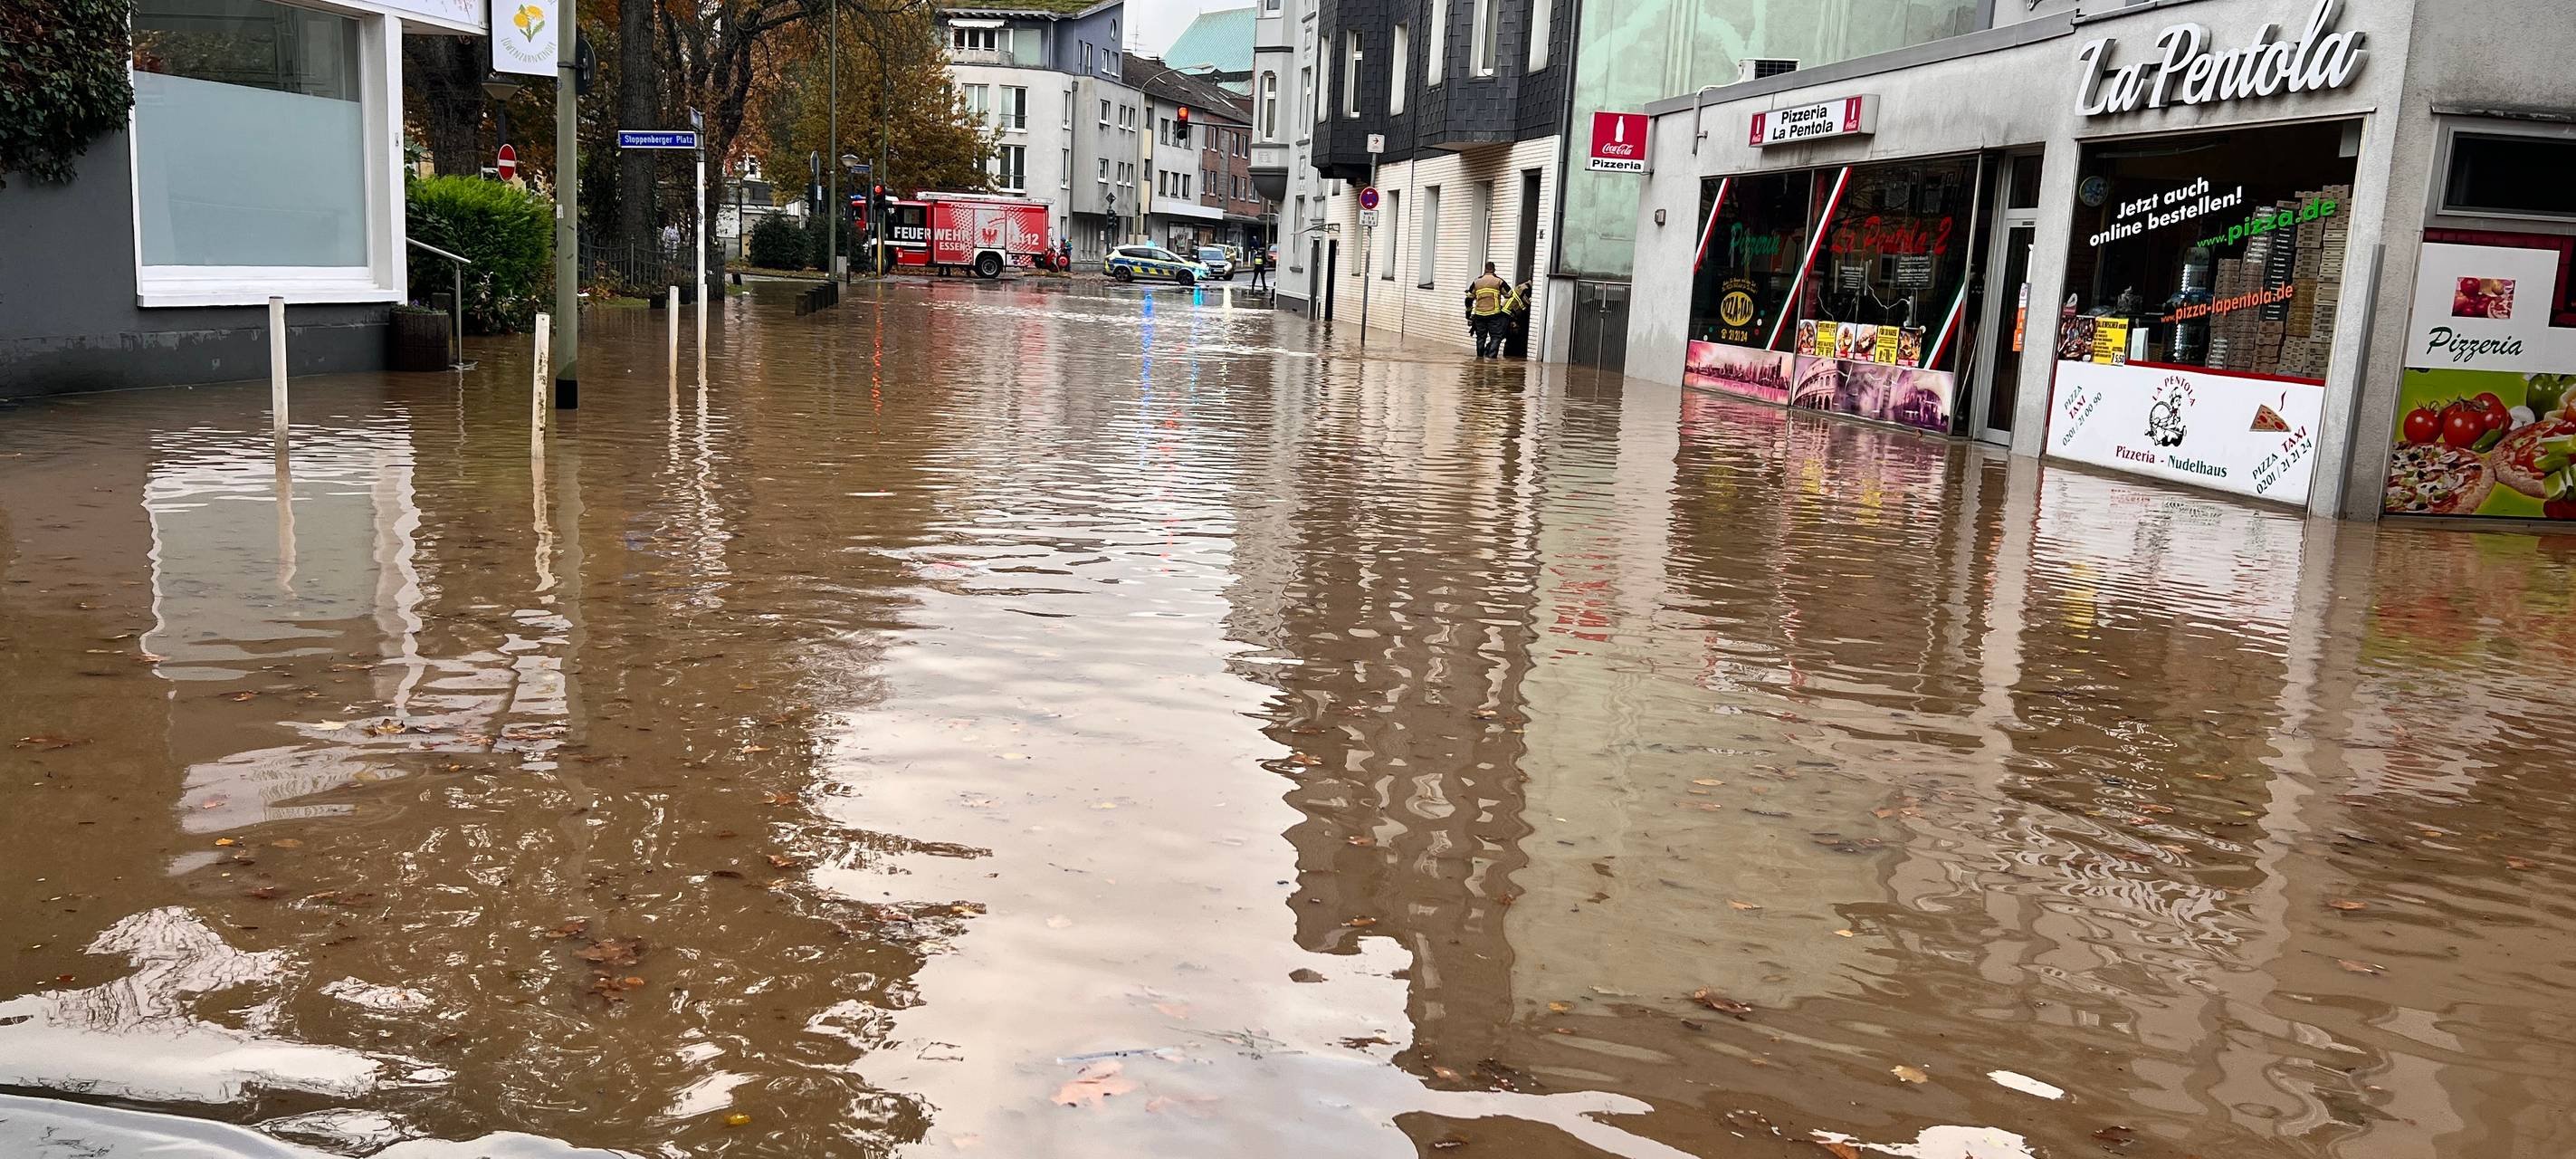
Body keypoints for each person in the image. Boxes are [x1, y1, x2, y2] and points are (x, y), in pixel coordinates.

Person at [1465, 263, 1511, 359]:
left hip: (1479, 315)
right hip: (1494, 315)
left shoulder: (1477, 281)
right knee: (1496, 337)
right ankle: (1491, 359)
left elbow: (1468, 299)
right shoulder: (1498, 281)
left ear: (1485, 269)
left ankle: (1479, 359)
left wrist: (1468, 315)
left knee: (1481, 338)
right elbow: (1509, 294)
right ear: (1494, 270)